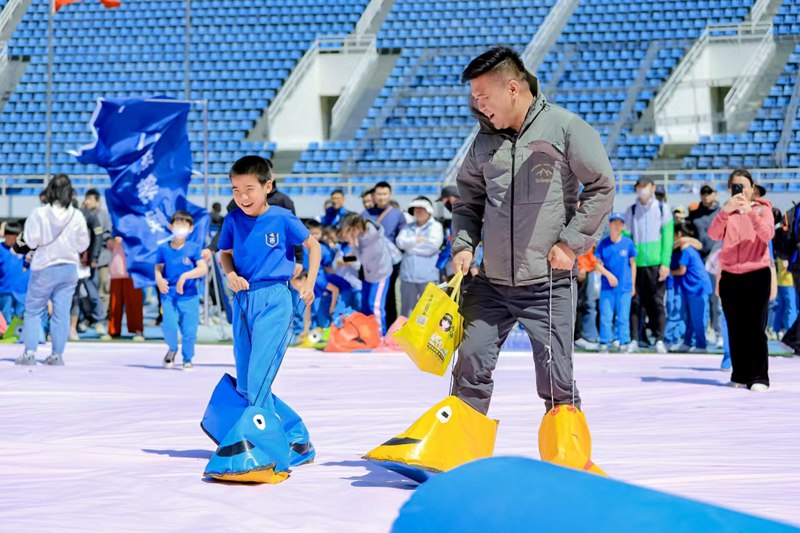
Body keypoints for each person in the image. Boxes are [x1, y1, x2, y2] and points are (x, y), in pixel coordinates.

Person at [450, 46, 614, 414]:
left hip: (547, 282)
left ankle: (565, 445)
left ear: (512, 88)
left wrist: (571, 244)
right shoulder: (483, 141)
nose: (478, 105)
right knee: (470, 362)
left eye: (483, 96)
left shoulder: (565, 128)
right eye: (474, 97)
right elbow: (468, 201)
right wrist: (463, 245)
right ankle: (461, 443)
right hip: (491, 283)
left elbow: (602, 186)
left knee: (556, 377)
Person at [217, 155, 320, 405]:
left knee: (259, 376)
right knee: (244, 382)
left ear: (267, 186)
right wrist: (231, 275)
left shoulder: (282, 217)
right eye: (236, 190)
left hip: (275, 298)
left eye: (249, 189)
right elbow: (225, 254)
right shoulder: (232, 219)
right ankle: (271, 425)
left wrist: (309, 284)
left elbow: (313, 245)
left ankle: (263, 426)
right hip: (243, 300)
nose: (243, 197)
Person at [708, 169, 774, 391]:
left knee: (755, 328)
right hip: (730, 276)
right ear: (729, 189)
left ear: (752, 188)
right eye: (735, 186)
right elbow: (713, 234)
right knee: (735, 328)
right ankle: (740, 374)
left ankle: (759, 377)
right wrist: (724, 212)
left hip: (756, 273)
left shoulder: (763, 209)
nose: (740, 190)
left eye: (743, 186)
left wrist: (750, 212)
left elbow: (767, 235)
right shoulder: (726, 212)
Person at [15, 174, 90, 366]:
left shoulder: (39, 213)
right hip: (68, 267)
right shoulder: (77, 215)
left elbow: (30, 241)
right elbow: (83, 244)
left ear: (49, 190)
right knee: (61, 313)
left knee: (33, 310)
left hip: (44, 266)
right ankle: (57, 355)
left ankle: (29, 353)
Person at [625, 176, 673, 353]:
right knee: (636, 302)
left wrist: (665, 263)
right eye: (639, 186)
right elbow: (627, 236)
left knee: (657, 302)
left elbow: (668, 238)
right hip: (637, 264)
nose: (642, 189)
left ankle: (659, 339)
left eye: (645, 186)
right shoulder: (631, 210)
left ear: (653, 187)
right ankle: (634, 339)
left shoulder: (662, 208)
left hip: (656, 263)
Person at [155, 211, 208, 370]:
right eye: (177, 224)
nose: (180, 228)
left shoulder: (194, 248)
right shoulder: (163, 248)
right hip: (169, 294)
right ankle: (172, 348)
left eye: (184, 224)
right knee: (169, 326)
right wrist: (159, 279)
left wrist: (185, 276)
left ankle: (187, 358)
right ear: (171, 227)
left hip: (189, 295)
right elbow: (158, 267)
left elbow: (203, 268)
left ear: (191, 229)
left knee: (189, 330)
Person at [340, 212, 394, 334]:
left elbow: (362, 259)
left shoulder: (374, 237)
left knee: (374, 305)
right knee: (364, 308)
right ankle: (368, 335)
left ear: (356, 226)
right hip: (368, 274)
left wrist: (353, 244)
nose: (348, 234)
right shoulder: (361, 234)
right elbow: (356, 255)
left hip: (381, 274)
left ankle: (380, 336)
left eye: (349, 230)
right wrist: (345, 258)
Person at [362, 181, 406, 327]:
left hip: (390, 264)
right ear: (374, 196)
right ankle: (371, 330)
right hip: (370, 264)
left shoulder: (397, 215)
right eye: (379, 194)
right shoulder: (365, 214)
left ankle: (389, 330)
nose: (381, 197)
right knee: (370, 298)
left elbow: (403, 238)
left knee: (390, 297)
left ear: (390, 195)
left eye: (385, 194)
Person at [687, 184, 723, 348]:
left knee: (716, 299)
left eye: (709, 192)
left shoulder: (722, 213)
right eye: (703, 192)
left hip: (716, 260)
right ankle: (701, 333)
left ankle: (719, 332)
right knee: (700, 299)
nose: (706, 195)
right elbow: (688, 233)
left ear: (715, 194)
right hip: (698, 261)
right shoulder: (695, 214)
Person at [594, 212, 637, 353]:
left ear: (623, 226)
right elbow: (597, 265)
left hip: (624, 286)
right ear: (609, 225)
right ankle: (604, 341)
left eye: (620, 223)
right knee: (606, 315)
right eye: (614, 223)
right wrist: (608, 275)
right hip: (607, 287)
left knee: (623, 316)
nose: (617, 226)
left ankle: (623, 340)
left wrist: (633, 284)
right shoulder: (603, 244)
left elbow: (633, 264)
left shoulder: (628, 243)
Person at [395, 196, 444, 316]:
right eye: (416, 210)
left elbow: (433, 246)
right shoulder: (408, 226)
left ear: (429, 210)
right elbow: (399, 242)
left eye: (422, 209)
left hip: (428, 276)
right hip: (408, 276)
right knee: (406, 310)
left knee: (428, 311)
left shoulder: (436, 226)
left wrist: (409, 247)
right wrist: (417, 240)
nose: (419, 212)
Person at [669, 222, 712, 352]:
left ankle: (701, 345)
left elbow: (681, 270)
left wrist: (669, 272)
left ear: (679, 235)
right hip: (691, 288)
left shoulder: (686, 250)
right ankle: (687, 342)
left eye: (674, 235)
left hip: (698, 288)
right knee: (691, 317)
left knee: (698, 318)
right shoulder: (690, 248)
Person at [103, 236, 145, 341]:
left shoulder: (137, 229)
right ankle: (113, 330)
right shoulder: (115, 228)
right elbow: (108, 245)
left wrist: (127, 239)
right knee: (114, 304)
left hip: (133, 271)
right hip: (116, 270)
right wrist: (112, 240)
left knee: (134, 303)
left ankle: (138, 330)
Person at [83, 188, 112, 315]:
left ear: (97, 201)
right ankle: (90, 315)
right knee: (87, 289)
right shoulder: (83, 214)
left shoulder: (103, 215)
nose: (87, 201)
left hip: (102, 257)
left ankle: (101, 315)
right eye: (86, 198)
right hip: (86, 258)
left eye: (90, 199)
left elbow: (107, 233)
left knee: (103, 287)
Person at [0, 221, 27, 323]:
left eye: (15, 235)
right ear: (5, 235)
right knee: (5, 319)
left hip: (22, 291)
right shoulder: (1, 249)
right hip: (5, 290)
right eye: (9, 235)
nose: (12, 238)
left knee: (19, 319)